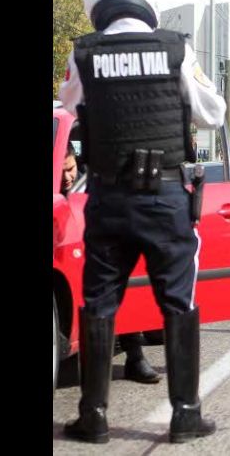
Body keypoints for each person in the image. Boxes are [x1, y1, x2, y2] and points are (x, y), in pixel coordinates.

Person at [58, 0, 225, 444]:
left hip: (108, 199)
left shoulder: (83, 51)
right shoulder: (175, 49)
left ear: (96, 4)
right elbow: (213, 112)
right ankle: (186, 414)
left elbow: (68, 105)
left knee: (99, 303)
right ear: (145, 1)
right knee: (179, 301)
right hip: (166, 198)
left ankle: (93, 417)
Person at [62, 144, 161, 385]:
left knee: (122, 293)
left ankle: (134, 357)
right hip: (69, 250)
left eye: (71, 169)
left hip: (100, 241)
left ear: (77, 161)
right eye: (61, 171)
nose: (67, 177)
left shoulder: (96, 177)